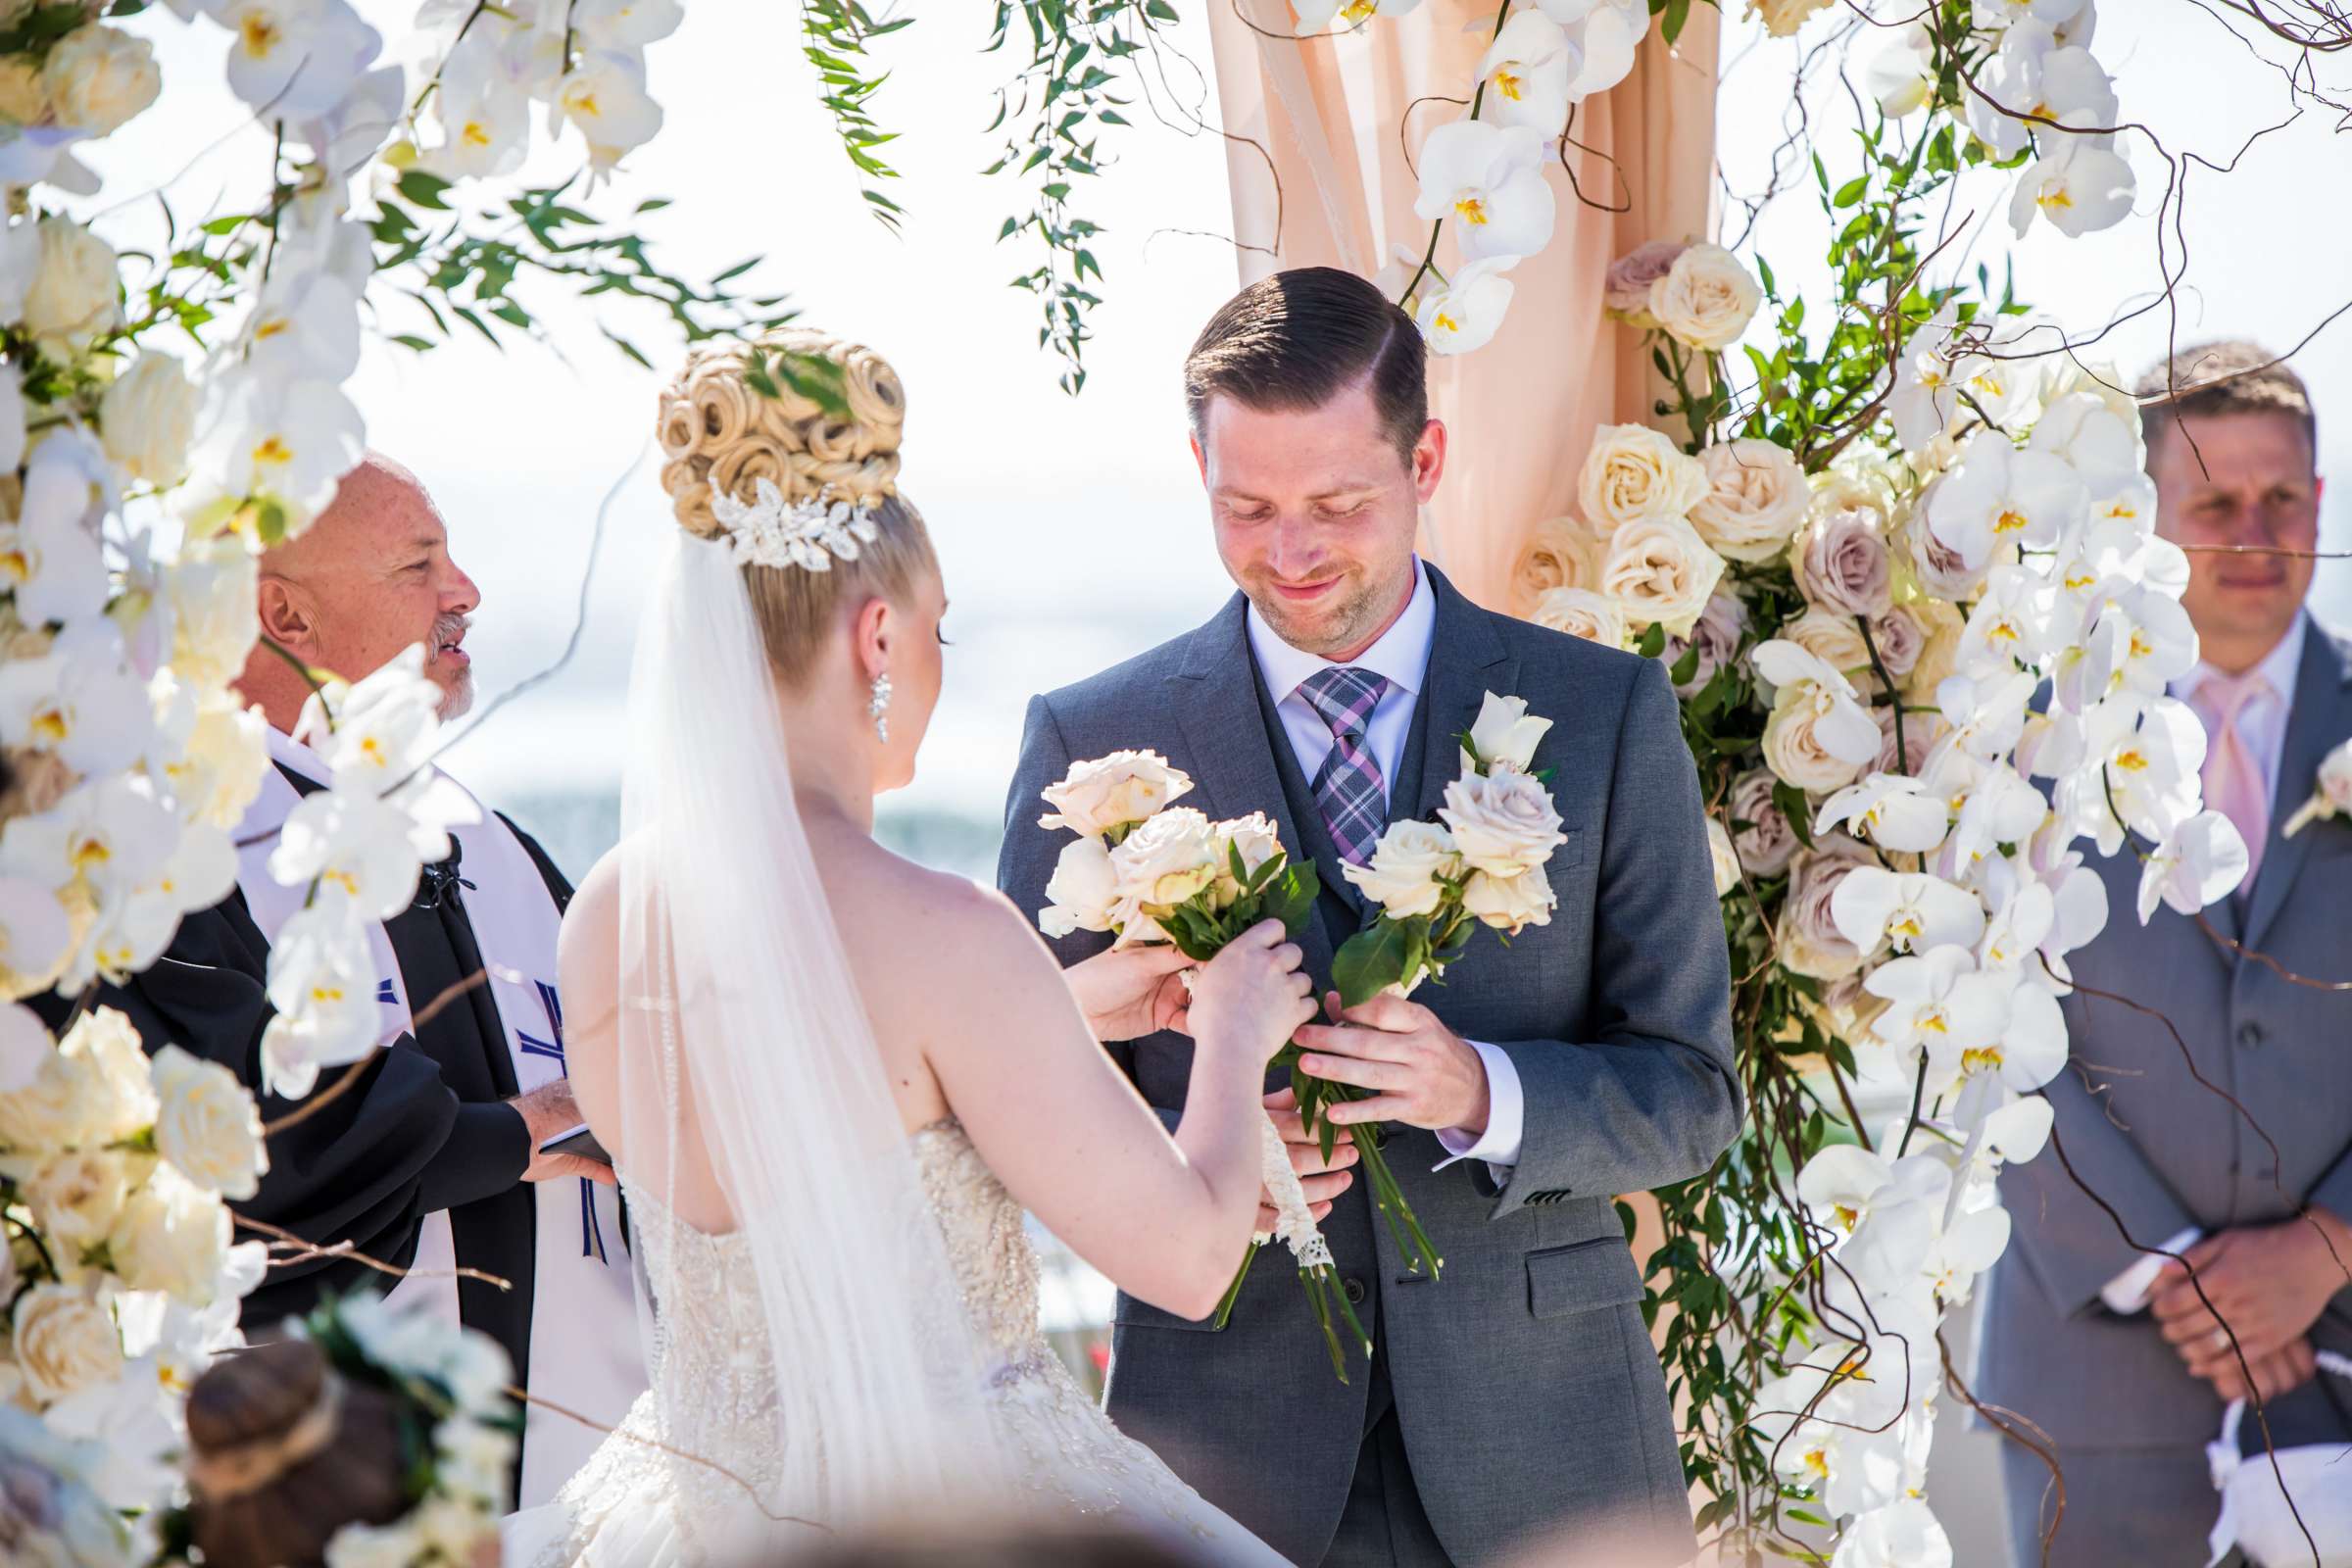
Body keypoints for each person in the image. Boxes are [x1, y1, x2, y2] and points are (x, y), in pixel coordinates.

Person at [505, 329, 1311, 1568]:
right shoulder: (947, 934)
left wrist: (1057, 1007)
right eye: (939, 629)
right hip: (952, 1522)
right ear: (877, 638)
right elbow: (1194, 1260)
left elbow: (819, 1069)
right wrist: (1239, 1027)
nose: (939, 662)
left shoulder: (611, 909)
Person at [997, 268, 1740, 1568]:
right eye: (1246, 507)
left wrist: (1480, 1090)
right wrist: (1208, 1158)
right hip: (1222, 1460)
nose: (1292, 553)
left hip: (1552, 1458)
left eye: (1339, 504)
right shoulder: (1092, 743)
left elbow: (1690, 1094)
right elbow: (1019, 1100)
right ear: (1197, 467)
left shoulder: (1604, 715)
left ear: (1427, 457)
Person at [62, 455, 646, 1511]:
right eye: (420, 564)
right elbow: (244, 1149)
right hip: (322, 1475)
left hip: (582, 1472)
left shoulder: (486, 835)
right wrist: (519, 1132)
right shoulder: (170, 845)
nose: (464, 591)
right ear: (286, 610)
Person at [1979, 342, 2352, 1566]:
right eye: (2215, 501)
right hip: (2094, 1393)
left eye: (2284, 496)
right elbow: (1983, 1027)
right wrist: (2174, 1274)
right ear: (2141, 513)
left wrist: (2323, 1251)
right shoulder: (2023, 737)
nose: (2256, 530)